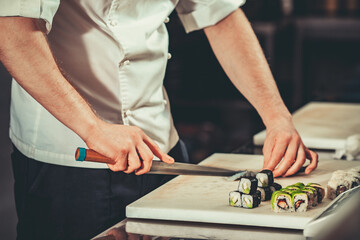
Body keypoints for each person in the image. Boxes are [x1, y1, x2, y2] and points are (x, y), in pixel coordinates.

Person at [0, 0, 318, 239]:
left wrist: (277, 117)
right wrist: (93, 128)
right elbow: (12, 30)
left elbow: (221, 16)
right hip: (70, 157)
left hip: (161, 146)